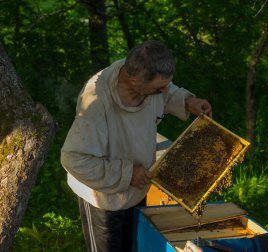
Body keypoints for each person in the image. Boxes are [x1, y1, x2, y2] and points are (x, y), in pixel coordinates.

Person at [60, 40, 212, 252]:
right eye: (158, 87)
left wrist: (188, 101)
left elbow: (168, 92)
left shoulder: (145, 73)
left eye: (166, 84)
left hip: (139, 188)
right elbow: (74, 158)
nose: (164, 90)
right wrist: (128, 174)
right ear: (133, 81)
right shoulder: (96, 102)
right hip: (104, 199)